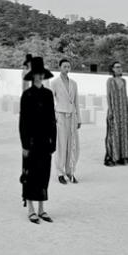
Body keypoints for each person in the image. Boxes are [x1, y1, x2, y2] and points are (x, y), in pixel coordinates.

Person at [19, 56, 57, 224]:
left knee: (44, 174)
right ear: (33, 75)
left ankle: (42, 208)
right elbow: (23, 122)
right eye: (37, 73)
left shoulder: (48, 94)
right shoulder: (26, 95)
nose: (40, 76)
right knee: (30, 174)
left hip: (45, 140)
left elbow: (52, 119)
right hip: (31, 141)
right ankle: (30, 208)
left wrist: (53, 140)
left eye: (42, 73)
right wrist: (25, 144)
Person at [50, 58, 81, 184]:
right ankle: (60, 173)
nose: (67, 69)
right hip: (60, 116)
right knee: (61, 145)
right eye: (64, 66)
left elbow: (76, 101)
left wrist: (78, 118)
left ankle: (70, 171)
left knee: (73, 145)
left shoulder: (73, 83)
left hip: (72, 116)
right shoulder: (54, 83)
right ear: (60, 67)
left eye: (68, 66)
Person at [104, 61, 128, 166]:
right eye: (116, 67)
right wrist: (110, 110)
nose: (119, 69)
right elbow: (108, 96)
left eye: (120, 67)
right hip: (114, 110)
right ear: (112, 69)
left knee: (124, 133)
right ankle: (113, 156)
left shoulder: (124, 81)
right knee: (114, 133)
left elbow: (125, 96)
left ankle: (123, 156)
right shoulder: (110, 81)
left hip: (123, 110)